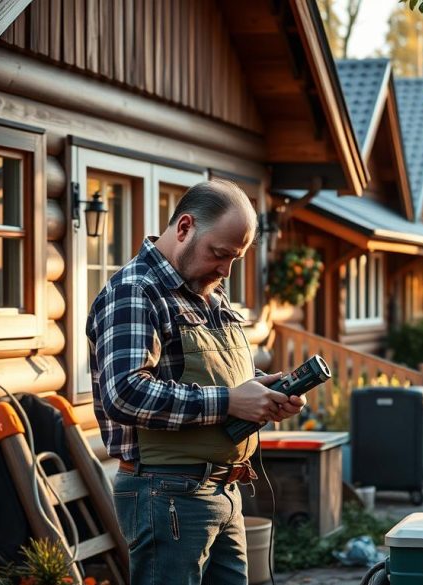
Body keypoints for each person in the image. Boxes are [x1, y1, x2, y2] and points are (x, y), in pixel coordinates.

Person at [87, 179, 306, 585]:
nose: (226, 269)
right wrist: (228, 402)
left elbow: (212, 373)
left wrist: (262, 391)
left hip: (225, 490)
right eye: (220, 254)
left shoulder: (207, 293)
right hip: (166, 494)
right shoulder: (136, 292)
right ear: (184, 227)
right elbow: (126, 392)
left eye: (235, 258)